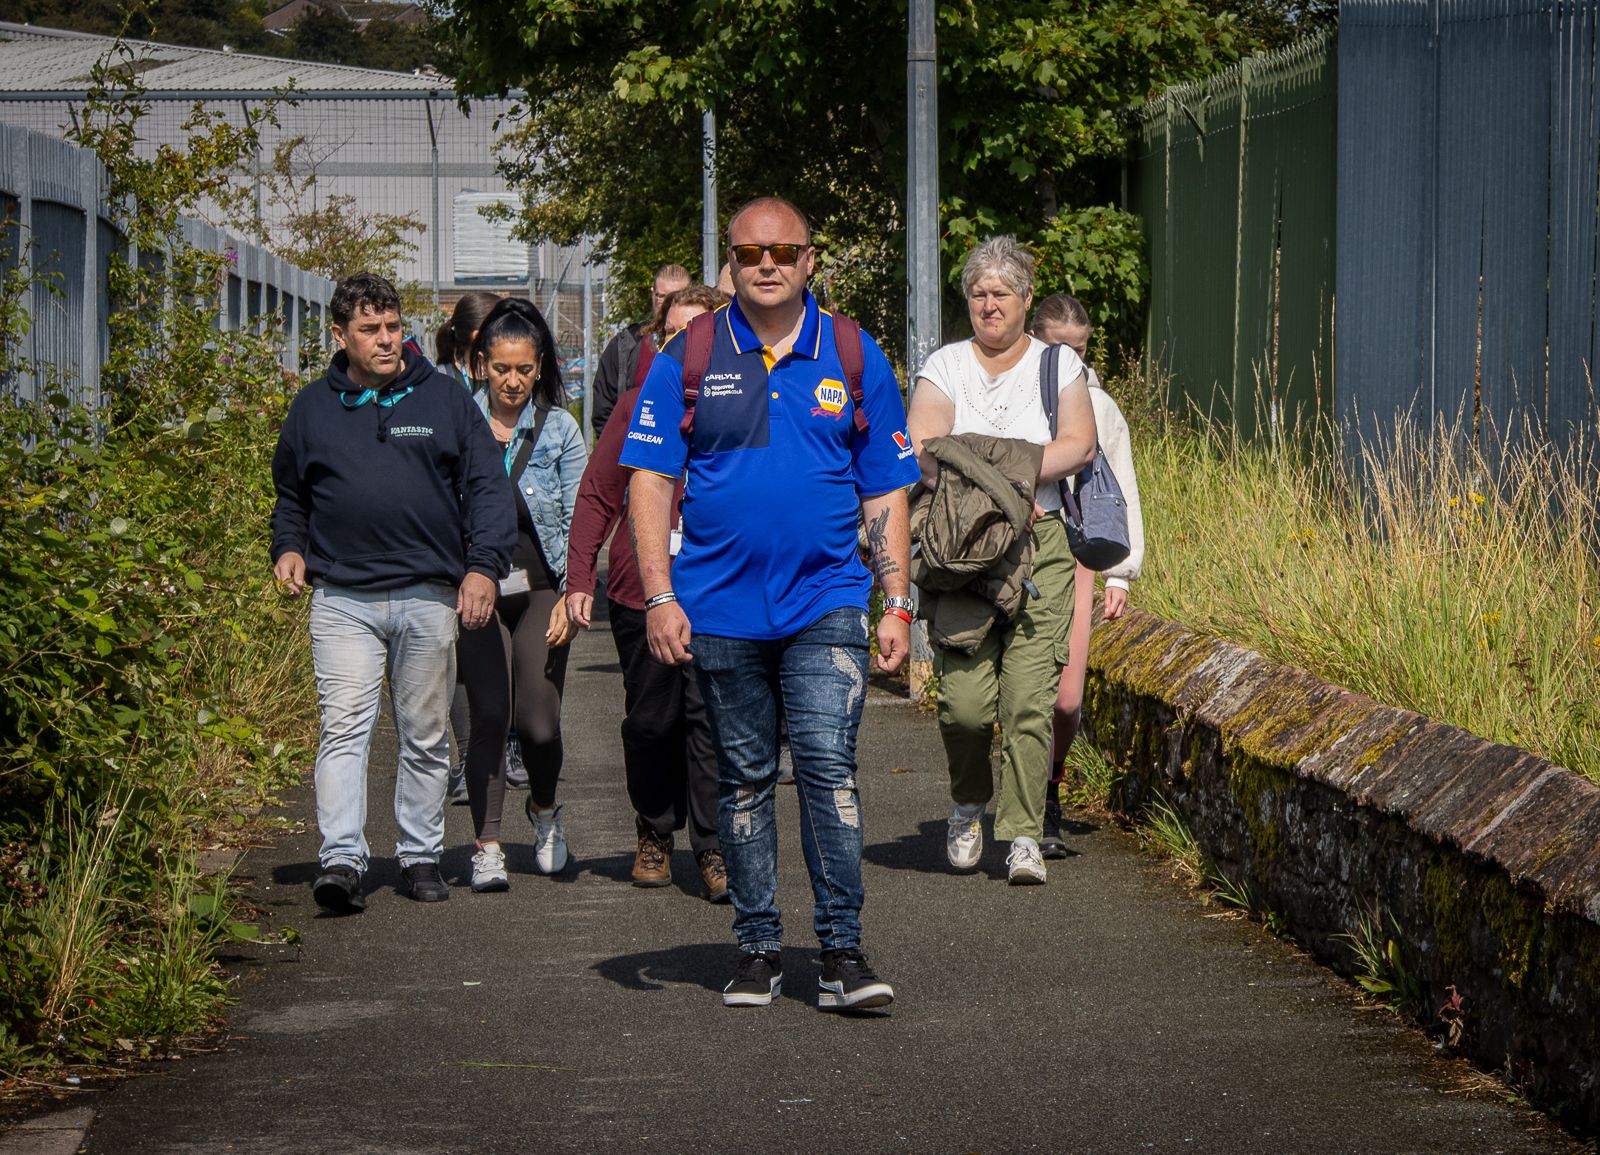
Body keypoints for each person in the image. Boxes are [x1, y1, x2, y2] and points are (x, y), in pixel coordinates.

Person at [622, 196, 917, 1011]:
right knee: (746, 777)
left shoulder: (853, 353)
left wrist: (897, 600)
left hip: (827, 601)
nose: (767, 264)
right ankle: (755, 947)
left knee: (828, 770)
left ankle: (841, 953)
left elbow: (887, 486)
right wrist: (658, 595)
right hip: (717, 609)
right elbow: (649, 480)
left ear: (810, 260)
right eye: (752, 251)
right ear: (732, 261)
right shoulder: (688, 354)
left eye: (783, 251)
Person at [270, 272, 515, 912]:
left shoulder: (446, 401)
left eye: (393, 327)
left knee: (426, 734)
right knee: (345, 728)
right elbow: (290, 496)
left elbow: (488, 489)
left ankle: (418, 854)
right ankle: (342, 860)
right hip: (342, 598)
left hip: (428, 595)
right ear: (339, 335)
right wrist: (289, 548)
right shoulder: (311, 409)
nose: (385, 340)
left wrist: (483, 568)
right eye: (370, 330)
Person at [906, 236, 1097, 886]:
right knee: (962, 703)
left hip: (1041, 549)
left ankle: (1020, 834)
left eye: (1002, 293)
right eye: (979, 293)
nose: (989, 304)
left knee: (1027, 701)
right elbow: (925, 446)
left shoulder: (1056, 367)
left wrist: (978, 456)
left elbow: (1079, 445)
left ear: (1024, 299)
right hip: (962, 548)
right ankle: (968, 802)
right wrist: (1016, 473)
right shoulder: (946, 365)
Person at [567, 283, 731, 901]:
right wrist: (579, 577)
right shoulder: (638, 404)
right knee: (651, 723)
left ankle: (713, 846)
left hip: (721, 594)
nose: (686, 349)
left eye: (700, 335)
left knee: (711, 723)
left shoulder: (748, 403)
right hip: (643, 593)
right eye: (673, 337)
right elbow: (598, 494)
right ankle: (653, 830)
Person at [456, 298, 588, 891]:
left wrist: (572, 592)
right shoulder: (460, 421)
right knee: (489, 714)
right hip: (478, 588)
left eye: (525, 370)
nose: (513, 381)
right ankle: (486, 842)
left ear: (540, 369)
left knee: (537, 721)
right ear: (482, 365)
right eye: (502, 368)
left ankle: (544, 809)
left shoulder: (558, 427)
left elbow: (582, 517)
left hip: (541, 589)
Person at [1027, 293, 1145, 858]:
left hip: (1073, 552)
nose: (1068, 360)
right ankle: (1015, 802)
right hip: (1006, 548)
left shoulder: (1098, 405)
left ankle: (1051, 783)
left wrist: (1120, 572)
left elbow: (1121, 485)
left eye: (1078, 350)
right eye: (1057, 349)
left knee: (1067, 699)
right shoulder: (1005, 390)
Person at [433, 292, 532, 801]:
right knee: (462, 657)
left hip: (514, 561)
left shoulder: (529, 410)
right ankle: (471, 751)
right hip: (458, 551)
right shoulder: (445, 399)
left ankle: (501, 744)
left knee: (506, 656)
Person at [590, 263, 693, 438]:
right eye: (662, 297)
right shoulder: (625, 346)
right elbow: (604, 411)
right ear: (652, 294)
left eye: (677, 297)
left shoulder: (706, 343)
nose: (668, 304)